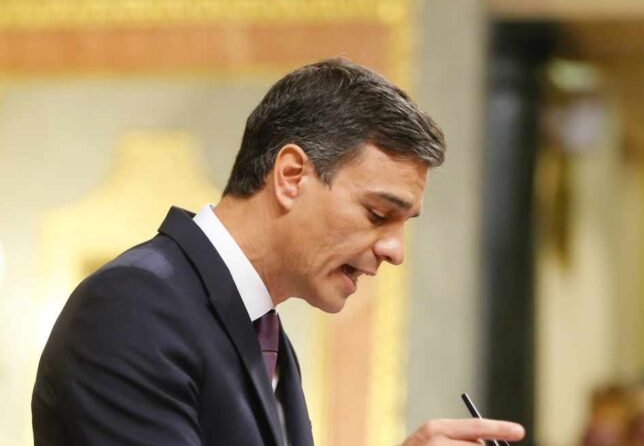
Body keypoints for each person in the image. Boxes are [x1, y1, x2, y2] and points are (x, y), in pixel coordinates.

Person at [32, 58, 524, 445]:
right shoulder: (134, 305)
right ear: (291, 176)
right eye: (378, 214)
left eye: (403, 224)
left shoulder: (262, 330)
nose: (395, 250)